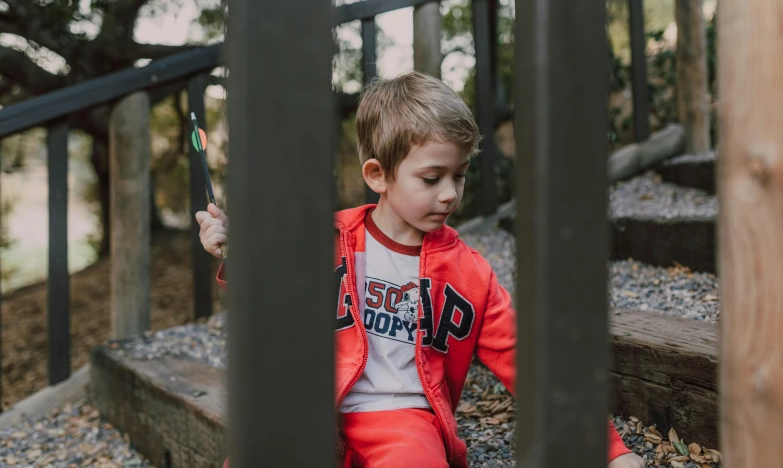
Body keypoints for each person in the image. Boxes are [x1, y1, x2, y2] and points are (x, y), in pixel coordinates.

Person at [197, 71, 644, 468]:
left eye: (460, 175)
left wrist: (609, 450)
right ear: (378, 174)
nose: (450, 194)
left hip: (402, 417)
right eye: (432, 179)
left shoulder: (472, 277)